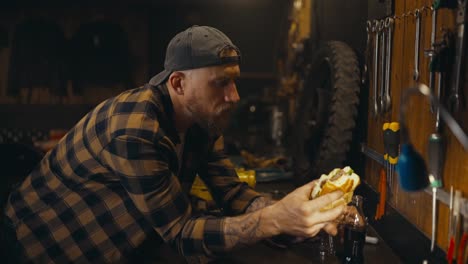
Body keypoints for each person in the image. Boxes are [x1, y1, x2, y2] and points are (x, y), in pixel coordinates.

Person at [2, 25, 346, 263]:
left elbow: (233, 194)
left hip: (116, 246)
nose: (235, 96)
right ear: (178, 83)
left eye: (235, 82)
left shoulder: (202, 122)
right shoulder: (136, 128)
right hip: (37, 250)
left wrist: (296, 217)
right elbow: (181, 233)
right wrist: (274, 220)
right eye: (221, 83)